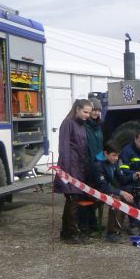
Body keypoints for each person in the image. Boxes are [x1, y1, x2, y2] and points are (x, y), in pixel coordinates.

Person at [56, 98, 92, 244]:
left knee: (74, 201)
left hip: (79, 168)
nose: (87, 115)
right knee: (72, 200)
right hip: (70, 169)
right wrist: (66, 171)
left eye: (89, 113)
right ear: (77, 109)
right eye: (85, 112)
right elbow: (64, 148)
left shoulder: (81, 125)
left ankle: (67, 232)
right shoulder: (68, 123)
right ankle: (71, 234)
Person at [89, 141, 135, 242]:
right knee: (116, 199)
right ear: (105, 154)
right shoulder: (97, 165)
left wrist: (135, 176)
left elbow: (122, 179)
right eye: (114, 155)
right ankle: (111, 233)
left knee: (127, 197)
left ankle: (119, 228)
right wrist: (120, 192)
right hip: (92, 194)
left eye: (118, 155)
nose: (116, 158)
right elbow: (103, 187)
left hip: (104, 191)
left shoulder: (113, 163)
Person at [80, 97, 104, 234]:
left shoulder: (99, 126)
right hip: (87, 165)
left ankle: (93, 222)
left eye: (98, 110)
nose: (95, 113)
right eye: (93, 110)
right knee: (85, 196)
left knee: (94, 195)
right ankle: (84, 225)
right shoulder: (84, 126)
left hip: (97, 164)